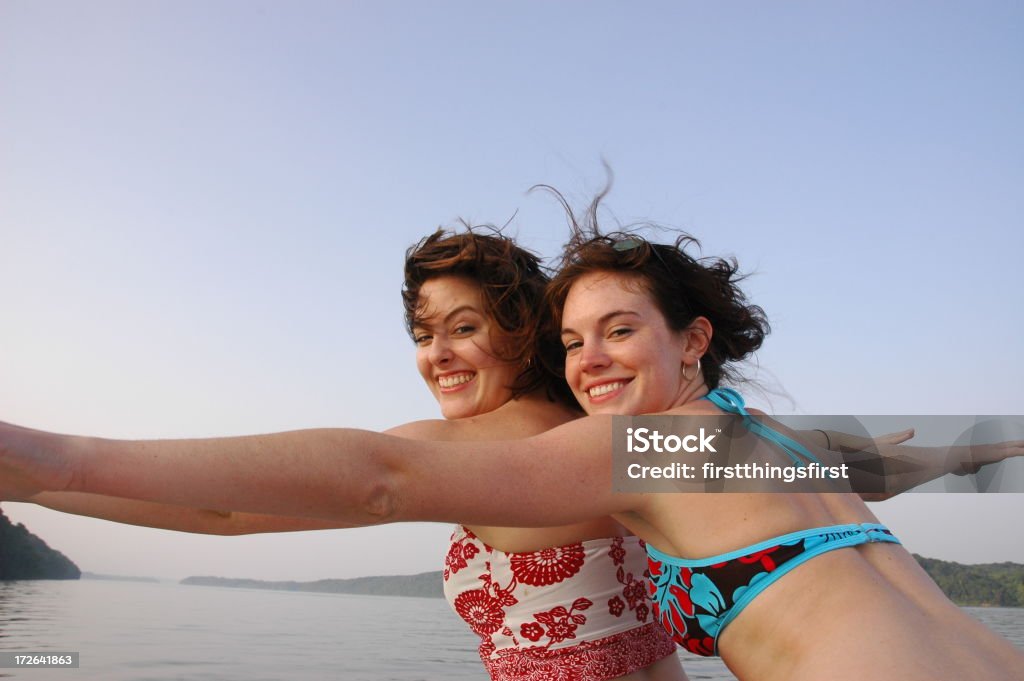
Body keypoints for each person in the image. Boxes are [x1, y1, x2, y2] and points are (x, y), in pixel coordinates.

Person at [3, 219, 1021, 680]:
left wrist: (47, 459)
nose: (593, 361)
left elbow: (375, 480)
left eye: (620, 330)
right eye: (578, 340)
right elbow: (932, 454)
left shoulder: (620, 449)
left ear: (692, 337)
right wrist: (46, 490)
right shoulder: (756, 442)